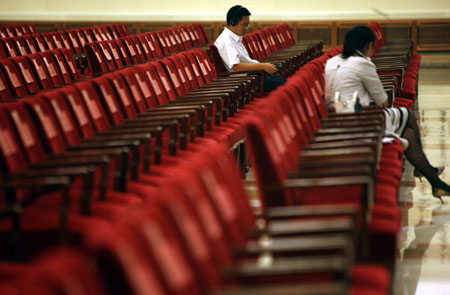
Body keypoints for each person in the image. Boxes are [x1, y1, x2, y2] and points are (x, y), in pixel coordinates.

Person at [324, 25, 449, 202]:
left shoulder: (331, 62)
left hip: (338, 119)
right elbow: (383, 100)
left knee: (408, 134)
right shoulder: (362, 63)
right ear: (368, 45)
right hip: (362, 121)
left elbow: (328, 97)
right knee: (409, 116)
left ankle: (435, 182)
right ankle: (426, 172)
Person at [214, 5, 286, 92]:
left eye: (248, 24)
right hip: (245, 80)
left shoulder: (235, 38)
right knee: (287, 87)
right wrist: (263, 66)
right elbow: (236, 67)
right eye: (245, 24)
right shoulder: (226, 41)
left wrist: (264, 67)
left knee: (289, 83)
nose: (247, 28)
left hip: (254, 75)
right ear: (232, 23)